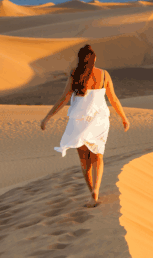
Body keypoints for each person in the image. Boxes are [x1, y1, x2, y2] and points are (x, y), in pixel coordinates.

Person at [40, 44, 130, 207]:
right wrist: (123, 117)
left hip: (79, 120)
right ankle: (96, 190)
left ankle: (92, 194)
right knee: (98, 156)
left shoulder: (75, 74)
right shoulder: (104, 75)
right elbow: (113, 99)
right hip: (99, 120)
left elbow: (64, 98)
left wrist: (48, 117)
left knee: (84, 161)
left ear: (80, 60)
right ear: (94, 59)